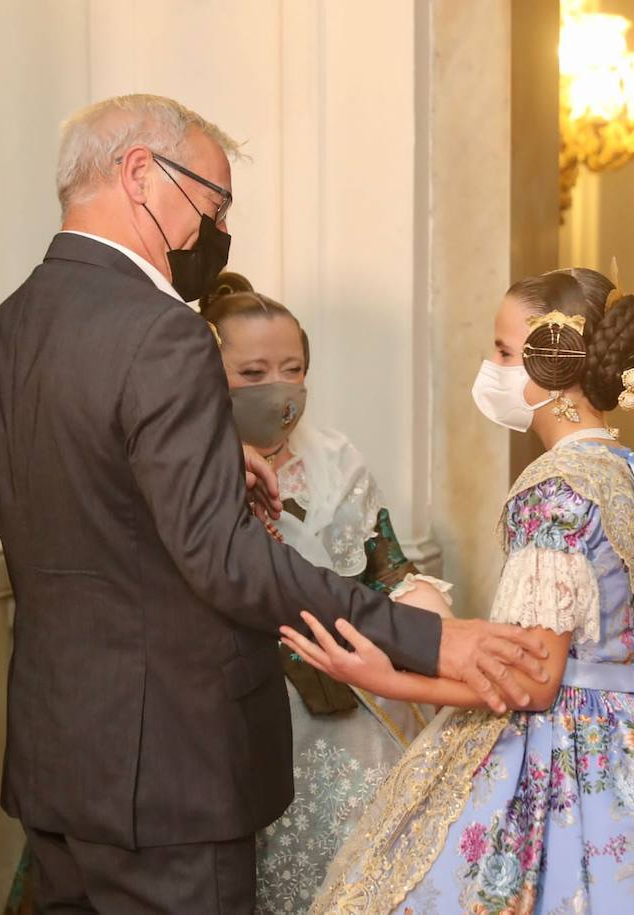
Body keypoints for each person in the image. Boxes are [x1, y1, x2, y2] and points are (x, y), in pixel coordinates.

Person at [0, 94, 547, 913]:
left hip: (56, 758)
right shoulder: (162, 333)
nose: (214, 229)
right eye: (212, 201)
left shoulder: (4, 330)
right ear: (140, 175)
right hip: (169, 774)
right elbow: (228, 561)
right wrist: (426, 637)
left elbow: (44, 508)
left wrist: (195, 462)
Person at [283, 268, 634, 911]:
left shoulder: (553, 489)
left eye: (505, 352)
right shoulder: (630, 472)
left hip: (564, 754)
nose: (492, 365)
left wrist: (385, 678)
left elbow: (535, 683)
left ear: (554, 360)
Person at [201, 275, 453, 912]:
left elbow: (386, 571)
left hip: (342, 700)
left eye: (293, 369)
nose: (278, 388)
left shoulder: (339, 460)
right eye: (253, 371)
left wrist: (446, 634)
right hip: (223, 710)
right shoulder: (186, 470)